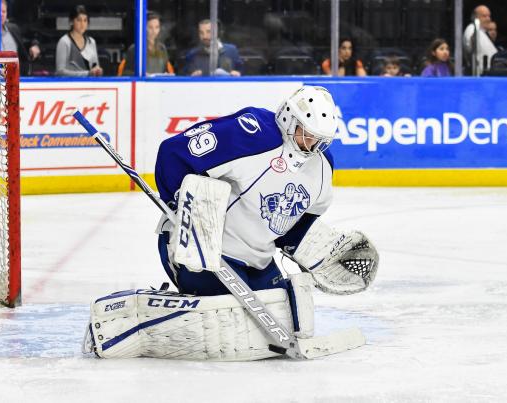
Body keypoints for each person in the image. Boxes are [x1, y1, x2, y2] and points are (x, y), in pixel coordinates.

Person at [82, 86, 378, 360]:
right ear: (289, 120)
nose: (312, 145)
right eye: (306, 134)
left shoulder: (323, 169)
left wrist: (317, 253)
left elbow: (296, 226)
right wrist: (185, 212)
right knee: (227, 316)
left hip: (257, 260)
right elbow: (174, 153)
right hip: (199, 247)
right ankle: (134, 315)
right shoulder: (252, 133)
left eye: (320, 140)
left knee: (283, 316)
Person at [117, 11, 174, 76]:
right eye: (150, 27)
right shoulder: (135, 49)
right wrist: (142, 76)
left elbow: (166, 70)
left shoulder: (162, 48)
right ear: (144, 28)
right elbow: (126, 73)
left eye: (157, 27)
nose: (154, 31)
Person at [55, 5, 102, 77]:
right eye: (79, 20)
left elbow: (95, 66)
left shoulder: (92, 42)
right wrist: (87, 73)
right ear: (71, 22)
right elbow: (60, 72)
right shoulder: (64, 42)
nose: (82, 24)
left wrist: (97, 71)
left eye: (85, 20)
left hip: (89, 85)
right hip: (70, 85)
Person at [463, 4, 497, 76]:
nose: (488, 19)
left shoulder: (483, 32)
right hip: (480, 75)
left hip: (491, 74)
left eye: (489, 16)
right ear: (476, 18)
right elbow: (470, 48)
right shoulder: (472, 29)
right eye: (484, 16)